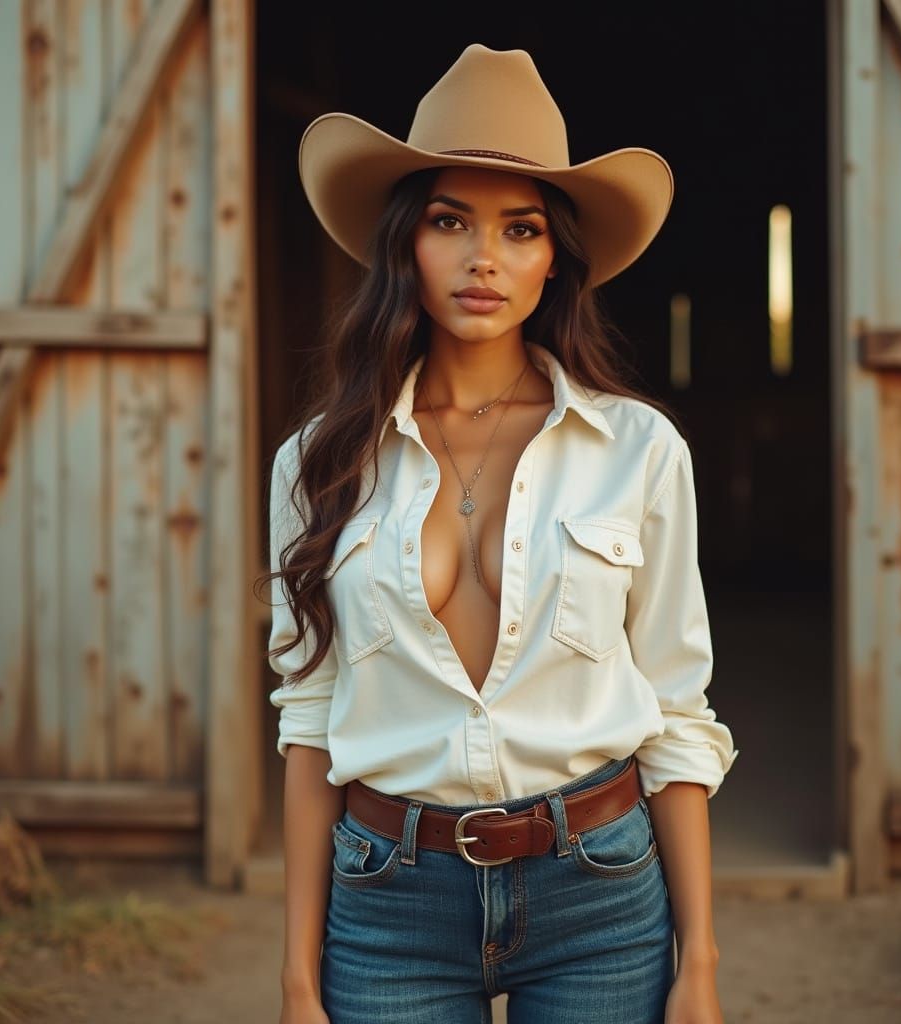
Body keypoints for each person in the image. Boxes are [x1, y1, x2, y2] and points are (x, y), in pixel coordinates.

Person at [262, 42, 739, 1024]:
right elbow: (309, 719)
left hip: (599, 890)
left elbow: (676, 714)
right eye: (450, 221)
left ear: (553, 256)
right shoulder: (318, 462)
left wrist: (701, 961)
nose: (485, 258)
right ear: (406, 243)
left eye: (519, 229)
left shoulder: (638, 450)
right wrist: (297, 979)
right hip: (387, 898)